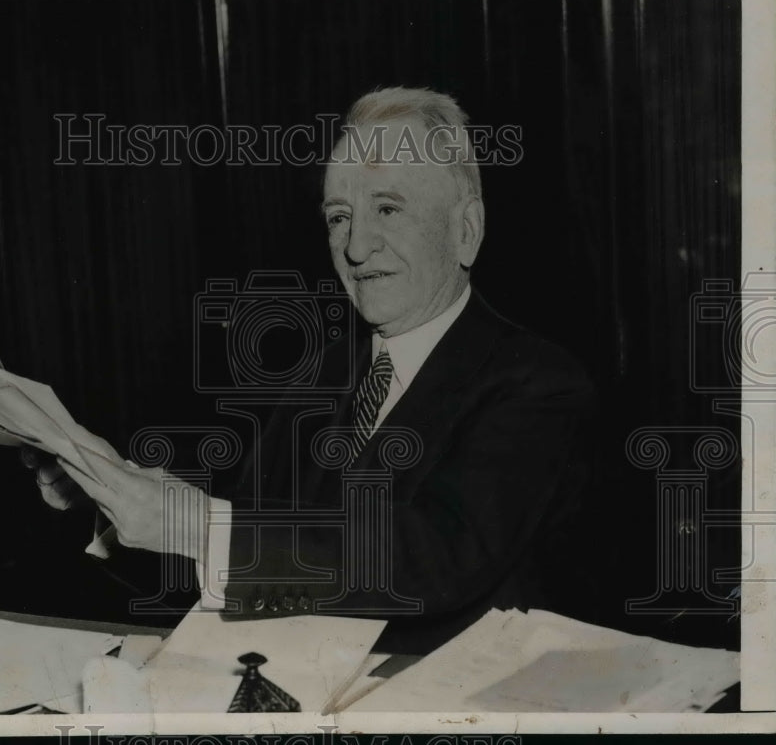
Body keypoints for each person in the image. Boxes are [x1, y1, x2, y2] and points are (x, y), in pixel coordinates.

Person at [38, 87, 596, 654]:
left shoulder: (538, 383)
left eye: (387, 209)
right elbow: (248, 555)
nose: (356, 247)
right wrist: (114, 496)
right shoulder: (325, 370)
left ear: (465, 230)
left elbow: (435, 557)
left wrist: (201, 526)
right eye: (339, 216)